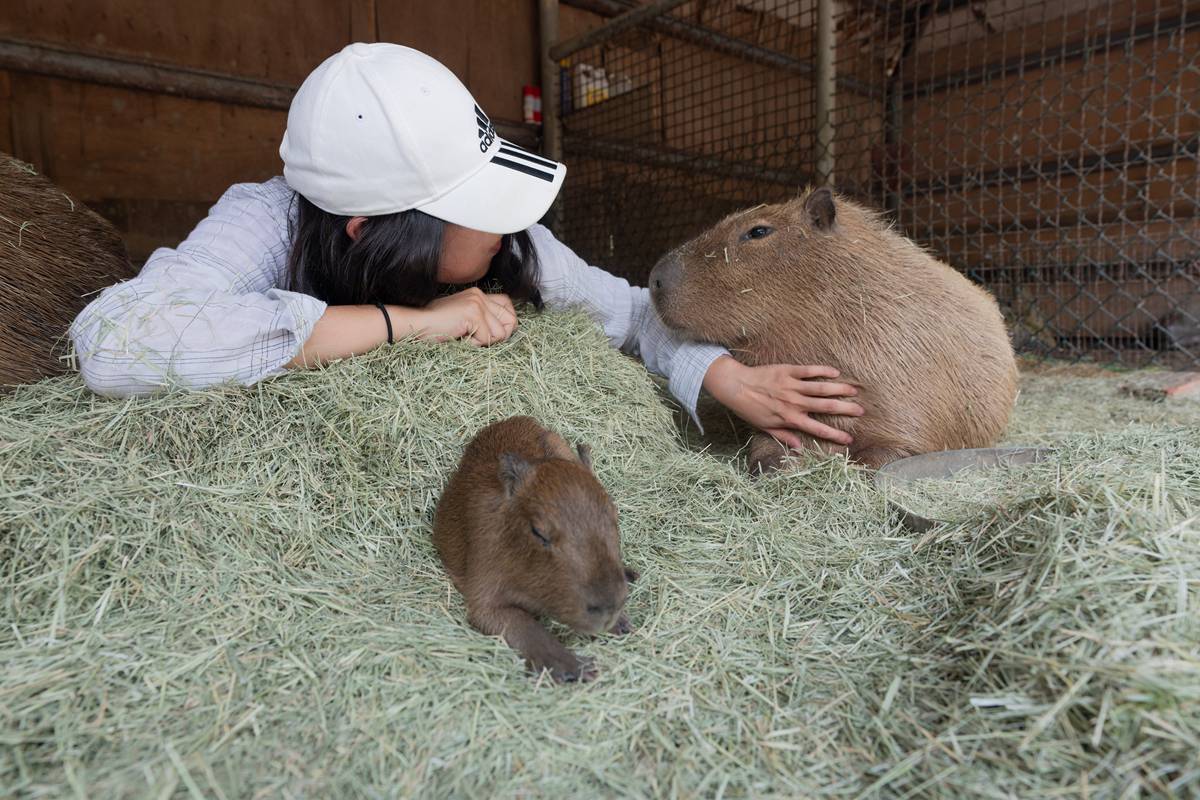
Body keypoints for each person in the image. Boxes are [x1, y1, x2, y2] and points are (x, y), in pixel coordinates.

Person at [70, 43, 861, 450]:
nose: (507, 224)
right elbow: (117, 341)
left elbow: (627, 312)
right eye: (474, 207)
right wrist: (406, 322)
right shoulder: (266, 221)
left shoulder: (515, 249)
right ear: (372, 230)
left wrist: (717, 374)